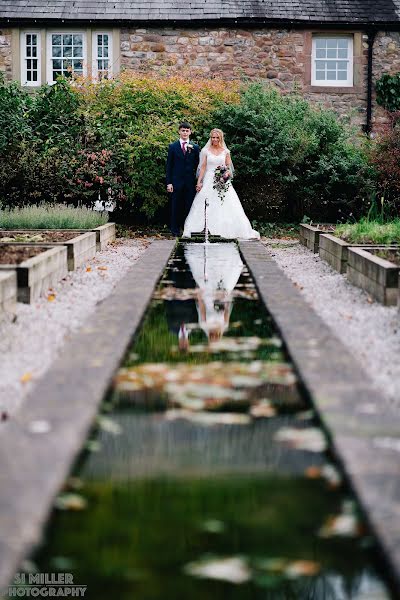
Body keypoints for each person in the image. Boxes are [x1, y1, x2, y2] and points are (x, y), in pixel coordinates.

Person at [183, 128, 259, 240]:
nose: (214, 139)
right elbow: (203, 167)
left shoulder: (225, 152)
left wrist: (224, 176)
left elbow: (228, 168)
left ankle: (225, 229)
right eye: (213, 137)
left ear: (220, 138)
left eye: (217, 137)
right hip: (208, 179)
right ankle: (200, 229)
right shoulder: (206, 151)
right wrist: (199, 182)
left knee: (225, 203)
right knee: (204, 202)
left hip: (222, 181)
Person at [166, 122, 200, 236]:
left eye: (187, 130)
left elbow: (198, 166)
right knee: (175, 206)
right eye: (183, 130)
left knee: (189, 206)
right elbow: (169, 166)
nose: (185, 132)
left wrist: (199, 181)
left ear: (190, 132)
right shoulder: (173, 147)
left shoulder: (195, 147)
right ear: (179, 132)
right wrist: (169, 183)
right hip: (176, 182)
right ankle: (175, 230)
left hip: (190, 182)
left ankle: (186, 229)